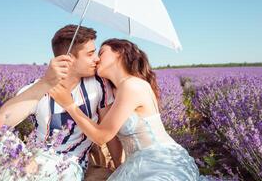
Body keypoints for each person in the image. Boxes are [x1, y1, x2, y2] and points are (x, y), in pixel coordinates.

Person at [50, 38, 207, 181]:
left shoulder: (132, 85)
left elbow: (101, 136)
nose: (97, 59)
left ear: (120, 53)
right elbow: (112, 137)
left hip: (162, 162)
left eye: (102, 53)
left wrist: (69, 104)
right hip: (137, 165)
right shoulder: (114, 91)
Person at [0, 25, 123, 180]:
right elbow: (0, 123)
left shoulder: (98, 85)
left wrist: (119, 167)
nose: (96, 59)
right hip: (34, 155)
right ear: (68, 59)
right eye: (90, 54)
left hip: (70, 163)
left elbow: (108, 133)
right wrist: (46, 82)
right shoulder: (38, 87)